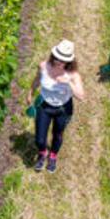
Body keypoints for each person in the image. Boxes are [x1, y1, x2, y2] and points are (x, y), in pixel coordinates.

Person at [27, 39, 85, 173]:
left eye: (63, 60)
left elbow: (81, 96)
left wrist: (69, 82)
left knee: (58, 134)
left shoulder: (73, 75)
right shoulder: (43, 66)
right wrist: (30, 92)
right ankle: (43, 152)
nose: (59, 62)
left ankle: (53, 156)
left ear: (69, 61)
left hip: (63, 108)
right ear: (53, 55)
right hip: (44, 105)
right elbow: (36, 80)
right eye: (57, 58)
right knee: (39, 138)